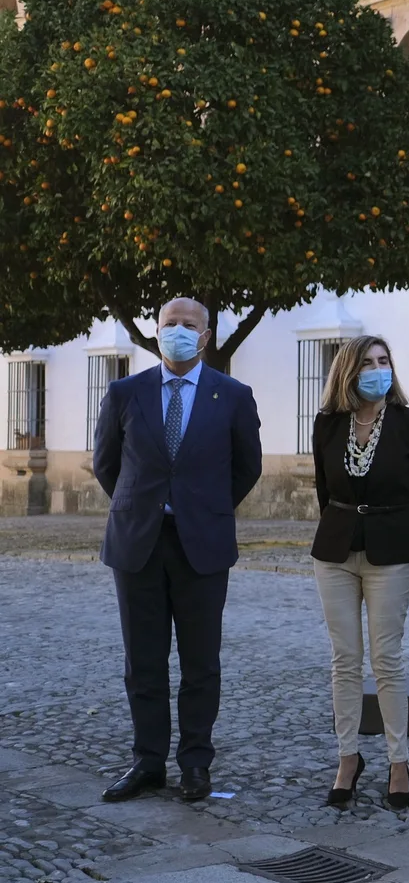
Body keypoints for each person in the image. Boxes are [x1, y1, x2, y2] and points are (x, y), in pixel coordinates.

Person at [92, 297, 262, 803]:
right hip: (137, 543)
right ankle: (147, 762)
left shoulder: (232, 394)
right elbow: (106, 464)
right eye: (171, 325)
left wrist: (201, 508)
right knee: (142, 661)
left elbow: (246, 467)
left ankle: (195, 763)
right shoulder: (125, 392)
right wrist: (144, 506)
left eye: (190, 326)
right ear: (156, 331)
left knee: (200, 662)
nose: (180, 332)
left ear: (206, 336)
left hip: (202, 546)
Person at [310, 336, 409, 810]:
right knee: (344, 659)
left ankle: (398, 761)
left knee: (386, 660)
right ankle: (348, 758)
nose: (377, 370)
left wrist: (393, 529)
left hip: (392, 551)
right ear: (348, 371)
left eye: (384, 361)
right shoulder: (327, 424)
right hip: (335, 550)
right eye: (367, 363)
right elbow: (325, 490)